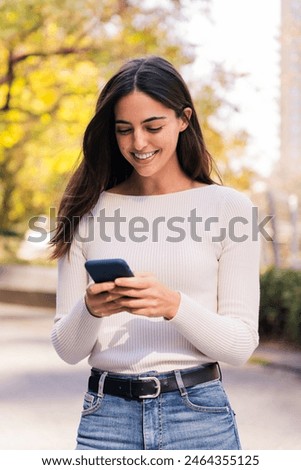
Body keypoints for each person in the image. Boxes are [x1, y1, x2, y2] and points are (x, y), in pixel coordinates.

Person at [50, 56, 260, 450]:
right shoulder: (85, 209)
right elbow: (67, 348)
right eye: (124, 130)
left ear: (183, 119)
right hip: (106, 421)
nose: (138, 144)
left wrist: (173, 305)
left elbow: (241, 345)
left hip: (199, 419)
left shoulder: (230, 208)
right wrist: (91, 309)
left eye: (153, 126)